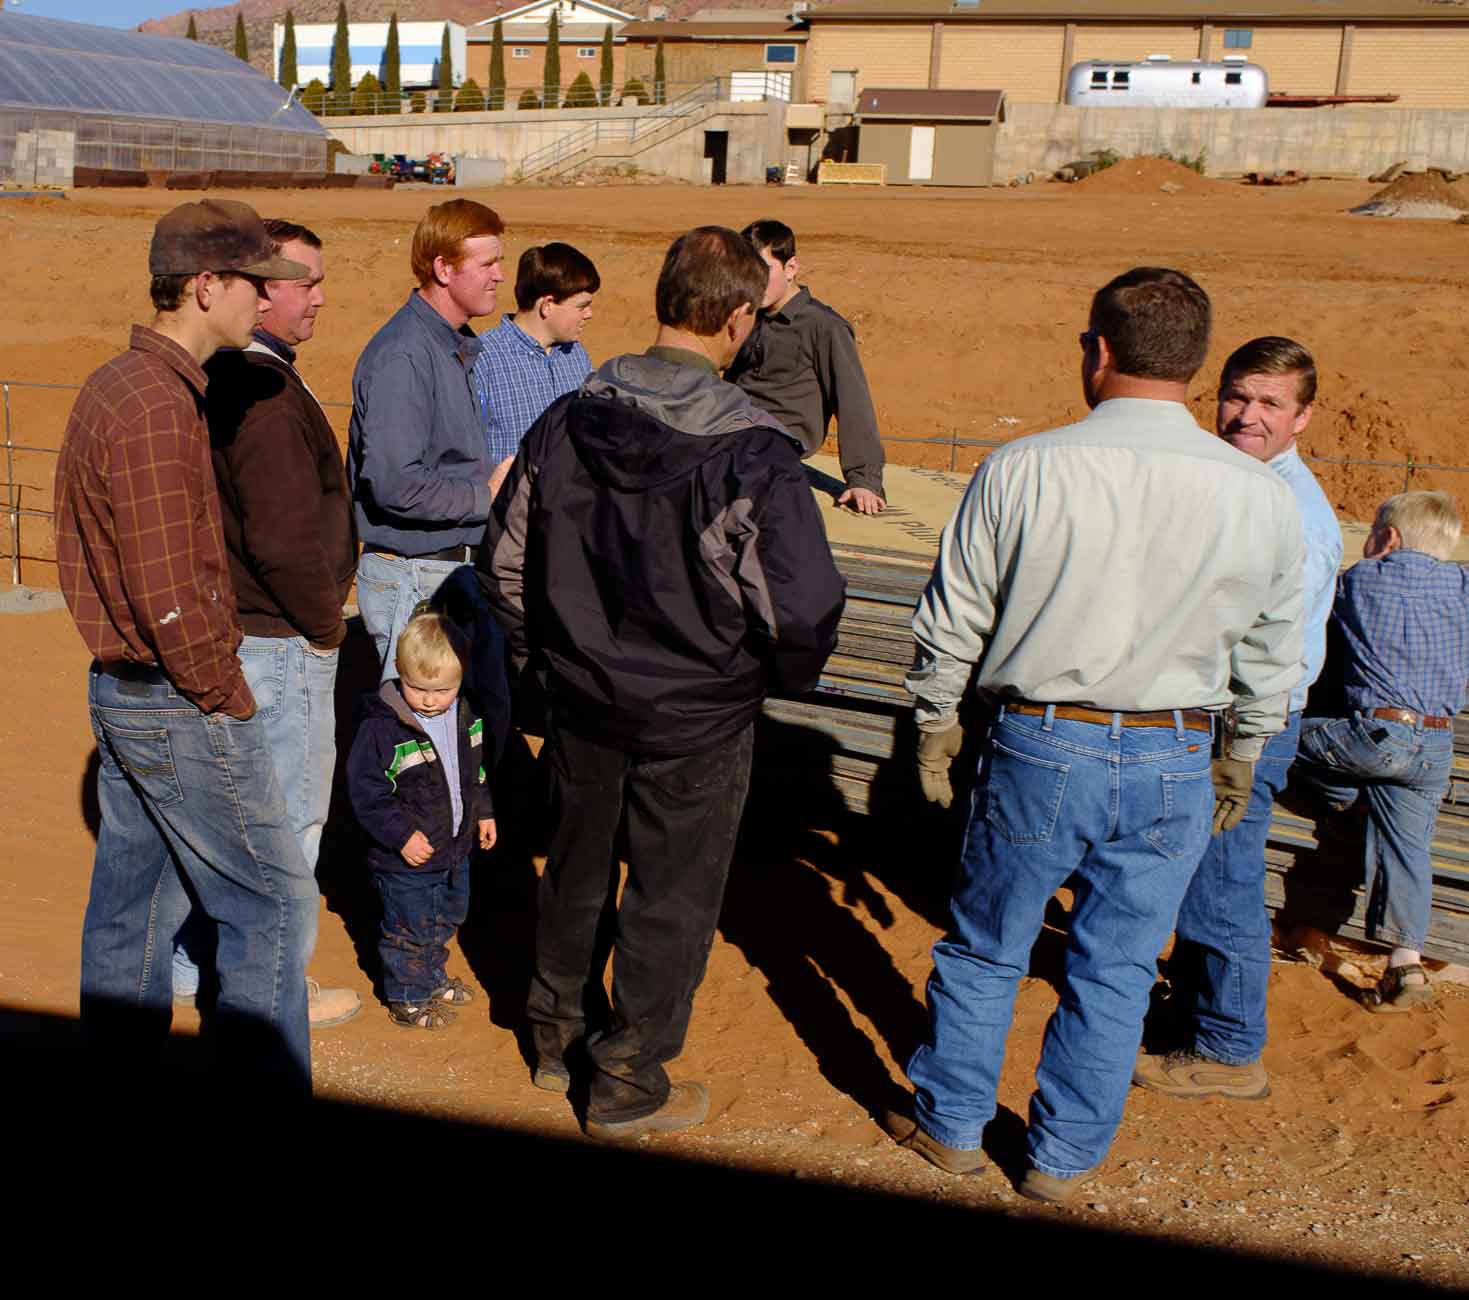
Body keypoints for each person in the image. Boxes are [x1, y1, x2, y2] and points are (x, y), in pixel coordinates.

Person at [886, 267, 1306, 1204]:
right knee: (1115, 969)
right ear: (1196, 369)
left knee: (986, 945)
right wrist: (1244, 748)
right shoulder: (1257, 491)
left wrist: (934, 723)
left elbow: (952, 616)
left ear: (1099, 352)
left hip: (1041, 743)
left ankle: (950, 1125)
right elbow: (1277, 645)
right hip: (1175, 753)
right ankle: (1061, 1157)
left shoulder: (1023, 467)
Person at [477, 226, 845, 1138]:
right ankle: (628, 1078)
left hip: (582, 707)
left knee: (573, 872)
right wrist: (754, 678)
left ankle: (554, 1039)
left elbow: (505, 565)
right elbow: (801, 612)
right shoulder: (753, 455)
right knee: (670, 899)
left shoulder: (568, 419)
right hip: (697, 721)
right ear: (736, 318)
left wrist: (549, 662)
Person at [53, 199, 318, 1095]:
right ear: (207, 286)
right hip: (177, 697)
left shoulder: (120, 384)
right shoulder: (160, 406)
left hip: (127, 692)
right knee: (273, 904)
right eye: (258, 283)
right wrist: (226, 694)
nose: (268, 300)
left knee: (136, 905)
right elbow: (171, 600)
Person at [1135, 337, 1341, 1101]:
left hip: (1245, 728)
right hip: (1218, 714)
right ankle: (1195, 1014)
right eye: (1236, 397)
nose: (1246, 416)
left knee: (1221, 878)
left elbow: (1276, 648)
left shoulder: (1292, 514)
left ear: (1302, 418)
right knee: (1198, 871)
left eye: (1269, 404)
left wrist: (1242, 741)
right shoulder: (1239, 484)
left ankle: (1227, 1047)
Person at [168, 218, 361, 1029]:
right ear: (257, 289)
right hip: (283, 641)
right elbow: (281, 539)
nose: (317, 296)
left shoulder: (242, 380)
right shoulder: (266, 394)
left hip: (260, 633)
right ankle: (274, 987)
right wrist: (326, 626)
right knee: (287, 826)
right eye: (302, 281)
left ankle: (191, 966)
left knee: (238, 815)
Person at [1293, 490, 1469, 1012]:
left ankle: (1344, 796)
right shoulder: (1463, 585)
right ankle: (1405, 965)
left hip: (1374, 737)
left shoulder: (1360, 579)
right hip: (1435, 747)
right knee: (1409, 849)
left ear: (1387, 538)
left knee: (1281, 737)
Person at [348, 199, 505, 680]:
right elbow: (394, 483)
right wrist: (487, 496)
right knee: (416, 741)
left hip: (440, 576)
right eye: (487, 263)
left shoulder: (446, 346)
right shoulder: (406, 357)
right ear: (442, 268)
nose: (500, 275)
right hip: (415, 582)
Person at [347, 612, 497, 1029]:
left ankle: (431, 978)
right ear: (399, 673)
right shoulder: (382, 729)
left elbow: (476, 773)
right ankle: (408, 995)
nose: (430, 700)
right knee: (409, 926)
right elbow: (367, 794)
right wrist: (400, 836)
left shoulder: (466, 715)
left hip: (453, 847)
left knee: (446, 915)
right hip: (406, 857)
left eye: (443, 689)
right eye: (418, 688)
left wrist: (484, 812)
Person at [725, 219, 887, 515]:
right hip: (732, 438)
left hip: (773, 446)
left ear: (791, 268)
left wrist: (864, 480)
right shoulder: (749, 317)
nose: (753, 282)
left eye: (763, 271)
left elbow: (852, 402)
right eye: (746, 273)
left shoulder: (824, 327)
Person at [473, 241, 597, 499]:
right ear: (547, 305)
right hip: (508, 521)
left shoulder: (576, 355)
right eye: (581, 305)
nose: (589, 314)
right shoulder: (483, 358)